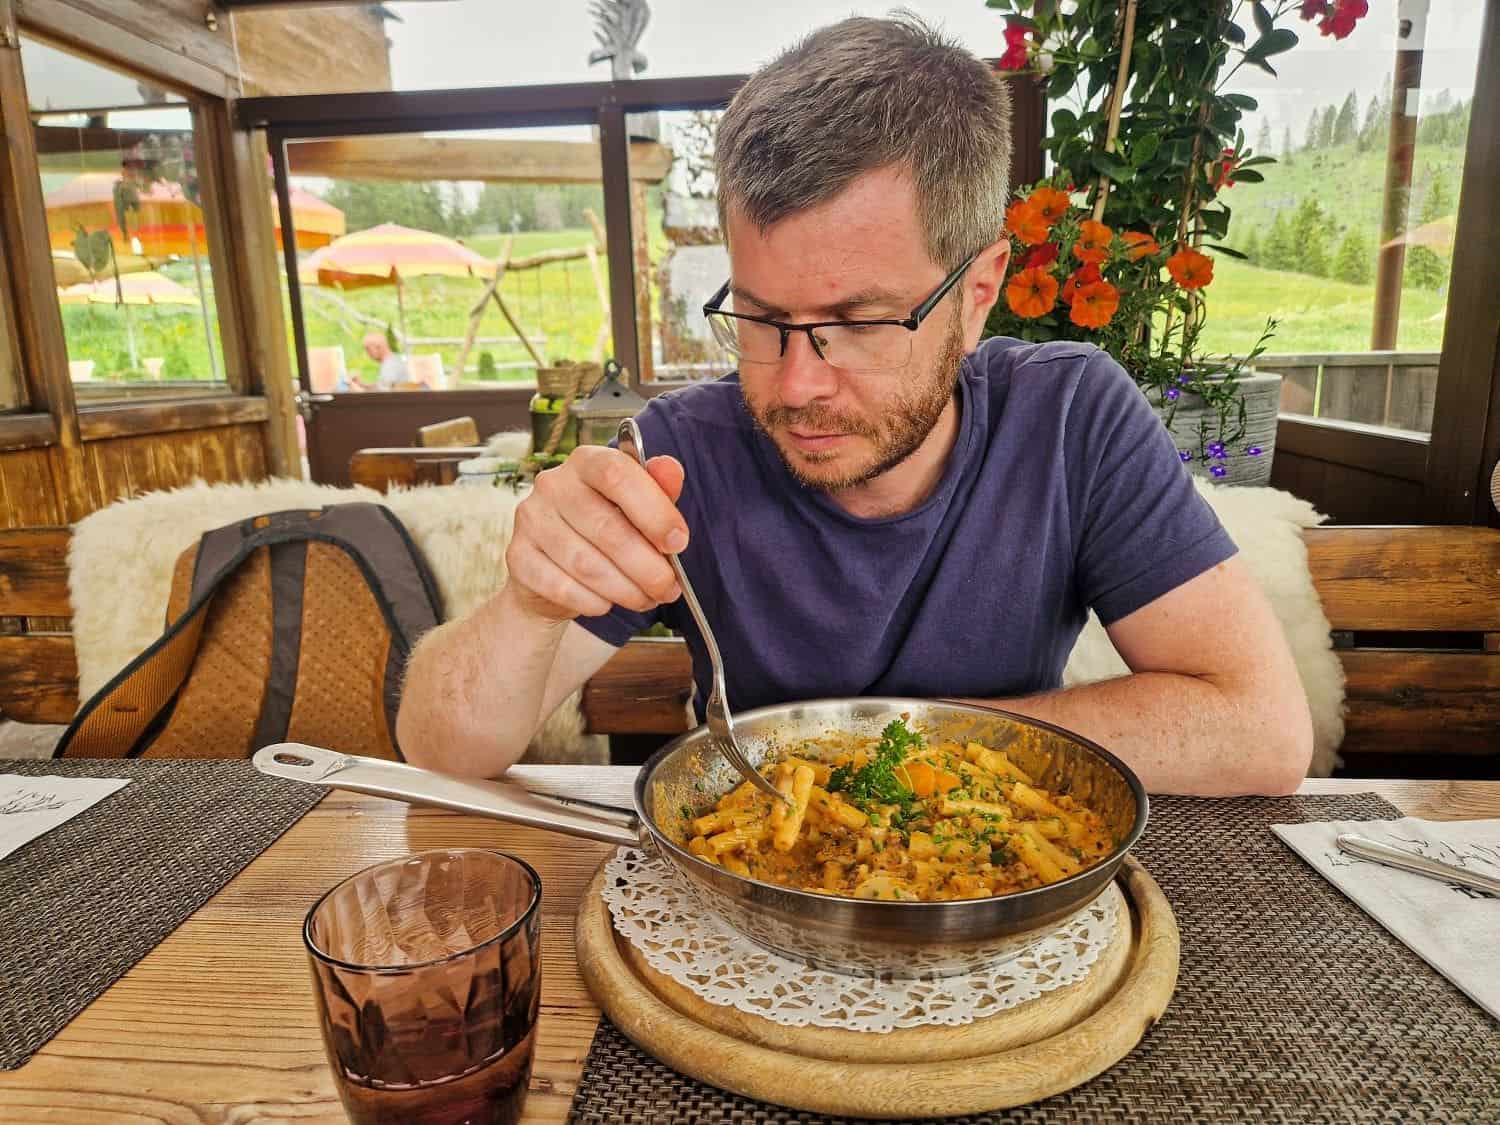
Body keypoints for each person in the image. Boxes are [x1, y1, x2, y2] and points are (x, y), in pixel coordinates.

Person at [397, 16, 1313, 796]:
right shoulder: (682, 455)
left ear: (978, 292)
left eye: (862, 323)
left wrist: (885, 750)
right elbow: (439, 749)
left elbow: (1262, 729)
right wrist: (529, 602)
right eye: (762, 318)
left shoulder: (1071, 419)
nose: (796, 386)